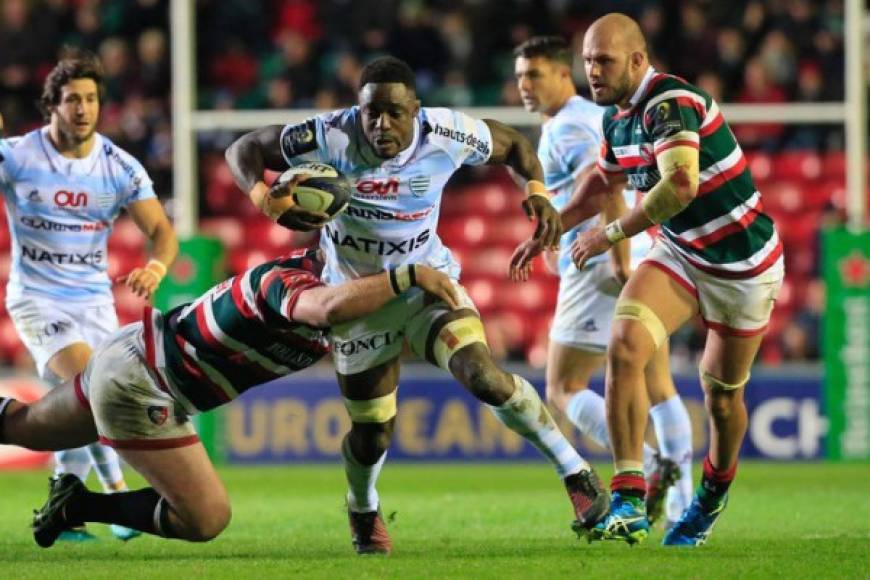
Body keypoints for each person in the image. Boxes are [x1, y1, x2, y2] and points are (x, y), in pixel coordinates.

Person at [226, 55, 610, 555]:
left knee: (484, 376)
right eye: (372, 114)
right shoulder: (326, 135)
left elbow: (515, 145)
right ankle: (362, 507)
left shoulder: (446, 132)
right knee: (373, 435)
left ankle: (575, 474)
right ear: (357, 111)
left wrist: (535, 190)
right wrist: (261, 195)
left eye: (395, 113)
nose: (382, 124)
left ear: (416, 111)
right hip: (357, 298)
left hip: (427, 285)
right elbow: (243, 148)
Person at [512, 14, 784, 546]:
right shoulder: (618, 119)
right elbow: (601, 181)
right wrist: (553, 228)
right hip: (681, 254)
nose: (592, 70)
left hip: (741, 268)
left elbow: (678, 186)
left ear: (638, 60)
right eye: (588, 60)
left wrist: (608, 236)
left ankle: (711, 494)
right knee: (625, 343)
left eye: (604, 60)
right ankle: (632, 497)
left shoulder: (670, 104)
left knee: (722, 399)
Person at [0, 250, 462, 548]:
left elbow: (354, 318)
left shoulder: (341, 307)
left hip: (131, 353)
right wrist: (411, 276)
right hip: (148, 383)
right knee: (206, 519)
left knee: (22, 426)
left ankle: (71, 499)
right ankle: (79, 505)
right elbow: (325, 308)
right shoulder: (283, 281)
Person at [512, 36, 693, 528]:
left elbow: (606, 186)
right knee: (657, 384)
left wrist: (615, 258)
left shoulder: (569, 126)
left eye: (535, 74)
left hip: (598, 262)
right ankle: (683, 505)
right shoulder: (593, 118)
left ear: (562, 75)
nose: (524, 85)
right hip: (638, 251)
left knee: (564, 386)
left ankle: (651, 466)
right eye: (520, 75)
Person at [0, 48, 178, 542]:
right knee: (89, 384)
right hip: (37, 299)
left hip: (95, 302)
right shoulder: (17, 156)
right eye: (72, 99)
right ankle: (116, 489)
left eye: (91, 99)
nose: (83, 108)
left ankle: (65, 505)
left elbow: (162, 230)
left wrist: (156, 266)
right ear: (51, 106)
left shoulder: (118, 167)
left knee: (72, 406)